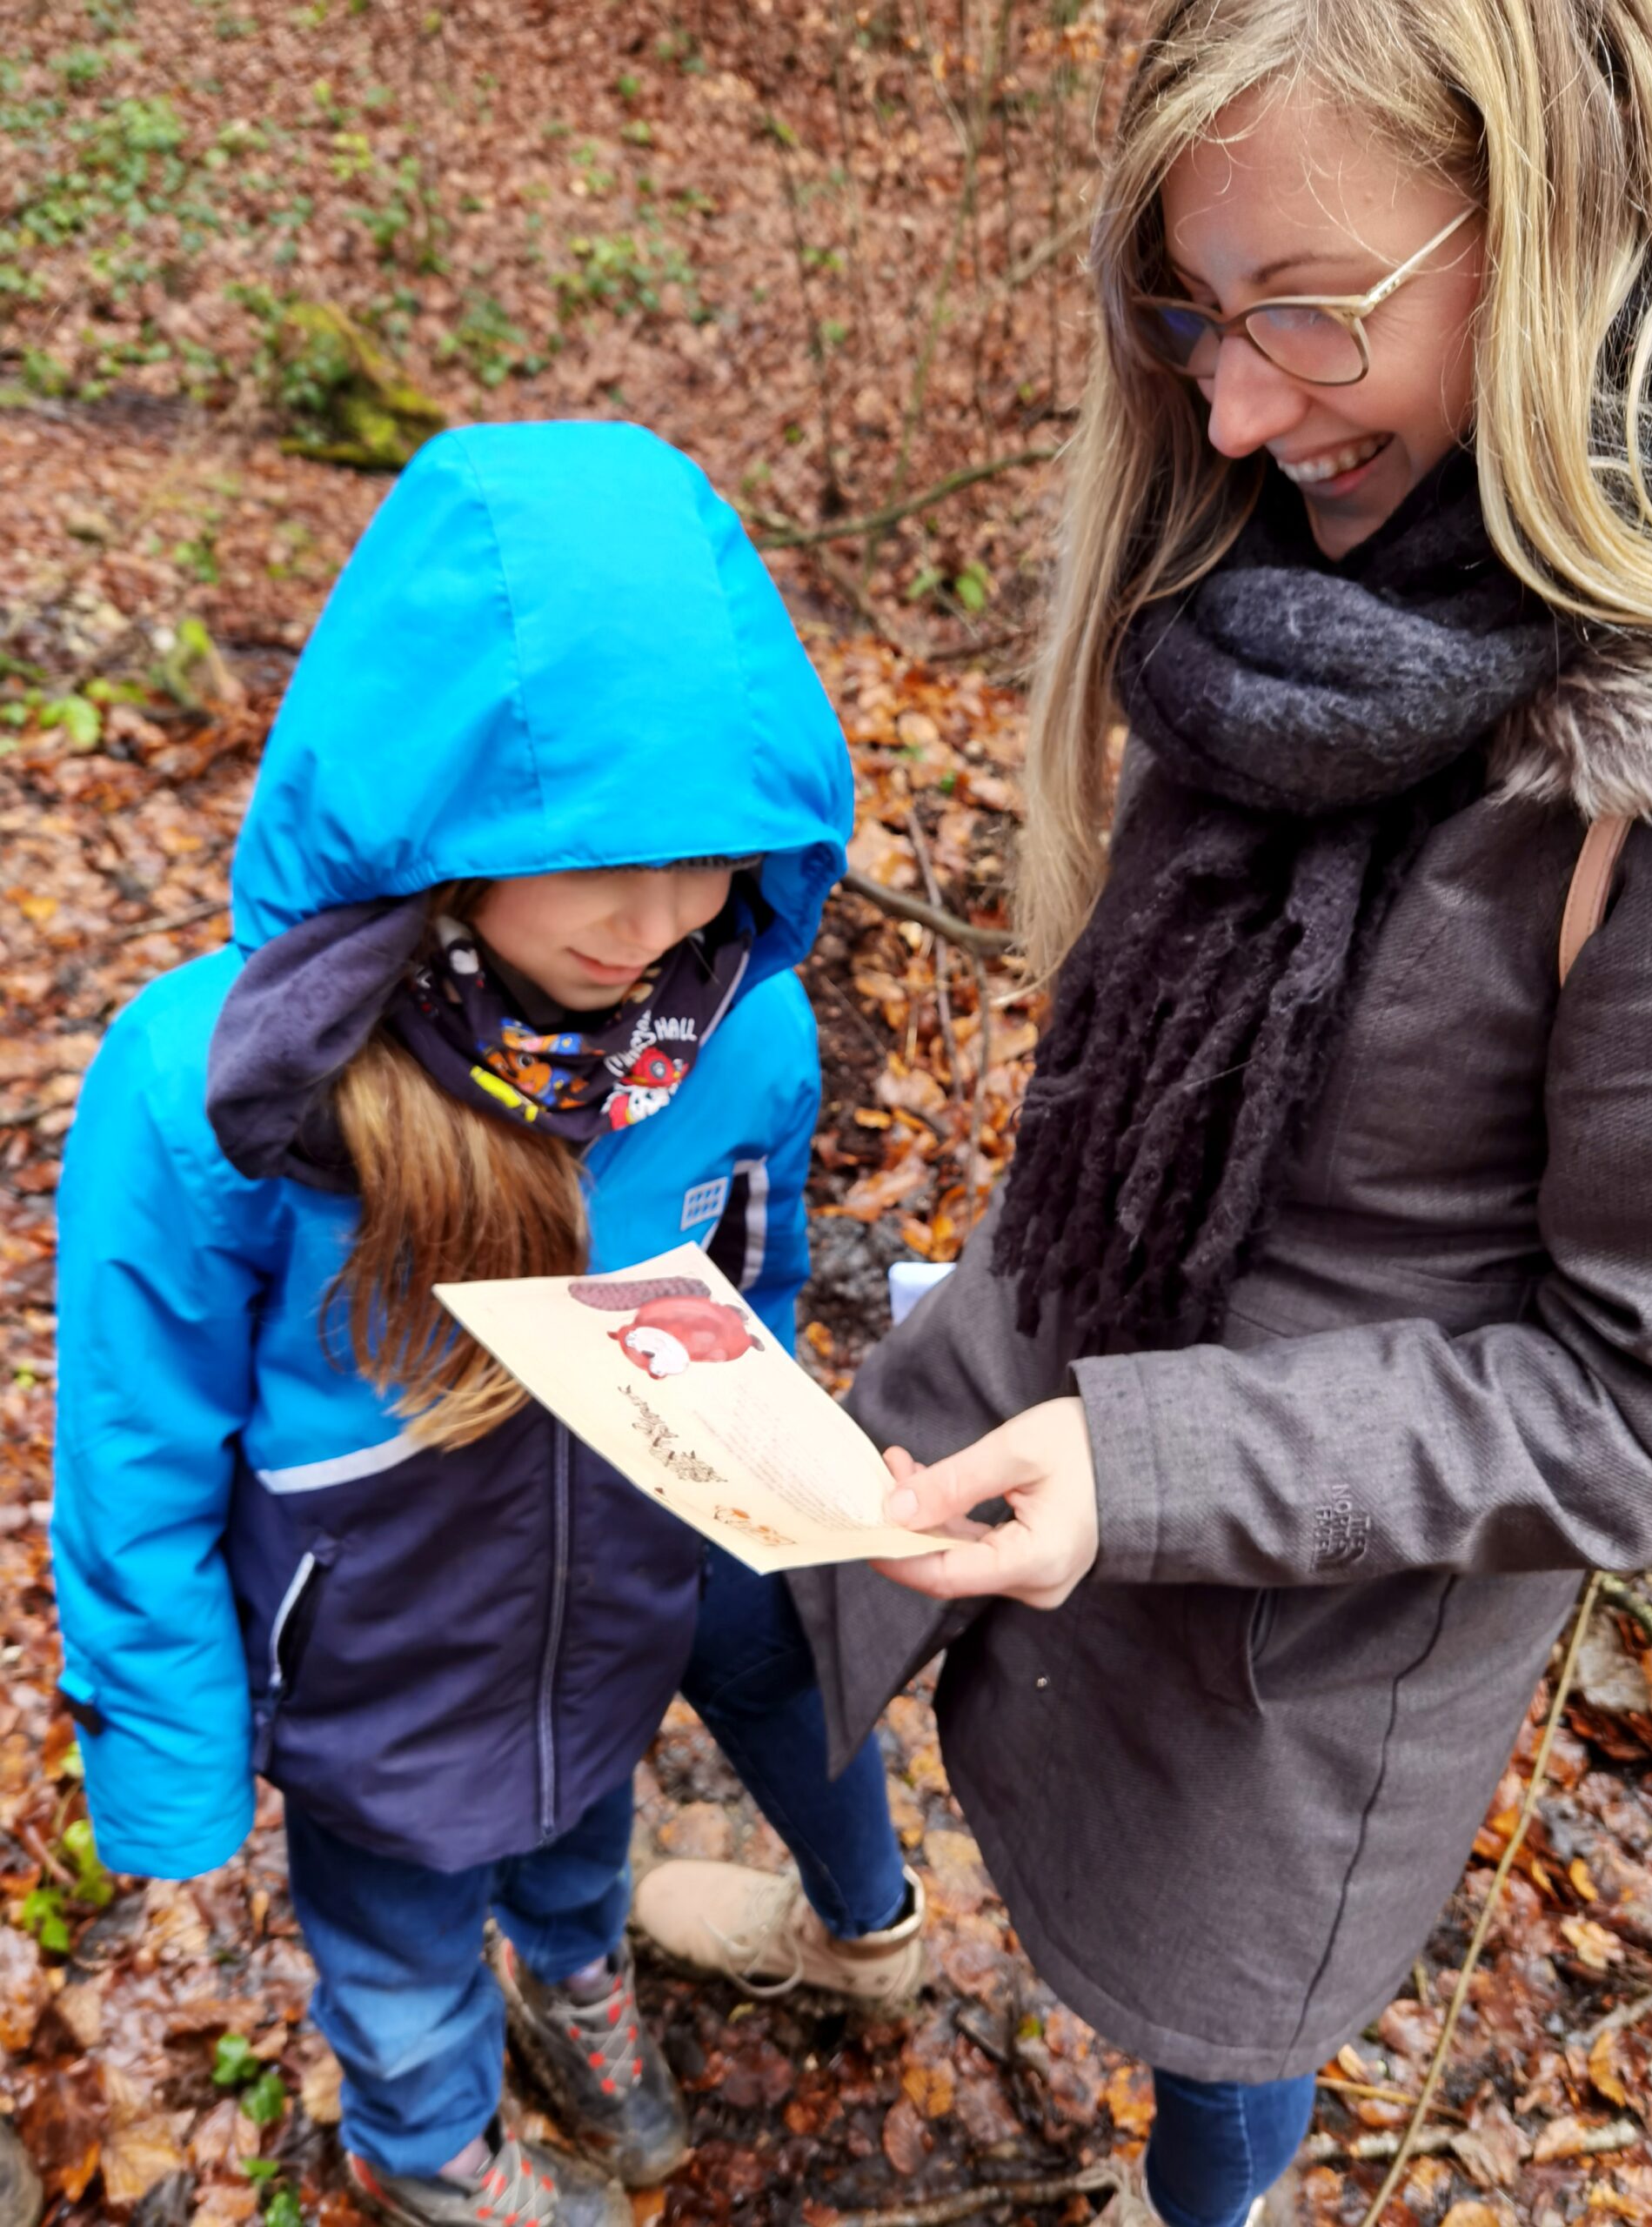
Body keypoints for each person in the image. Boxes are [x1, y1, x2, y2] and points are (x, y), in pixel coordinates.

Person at [632, 3, 1652, 2222]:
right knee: (745, 1611)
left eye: (1308, 314)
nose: (1232, 406)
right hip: (1027, 1355)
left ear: (1556, 232)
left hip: (1284, 1623)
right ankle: (866, 1921)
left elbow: (1638, 1404)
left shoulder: (1630, 786)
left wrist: (1159, 1457)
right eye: (1192, 316)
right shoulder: (1266, 573)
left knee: (1213, 2046)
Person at [50, 421, 866, 2227]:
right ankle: (424, 2141)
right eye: (597, 852)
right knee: (400, 1945)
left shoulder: (736, 1040)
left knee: (583, 1850)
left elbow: (755, 1289)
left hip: (608, 1630)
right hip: (373, 1678)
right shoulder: (223, 1085)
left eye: (712, 849)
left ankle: (574, 1985)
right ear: (443, 803)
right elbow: (134, 1439)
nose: (656, 919)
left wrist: (770, 1492)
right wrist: (175, 1761)